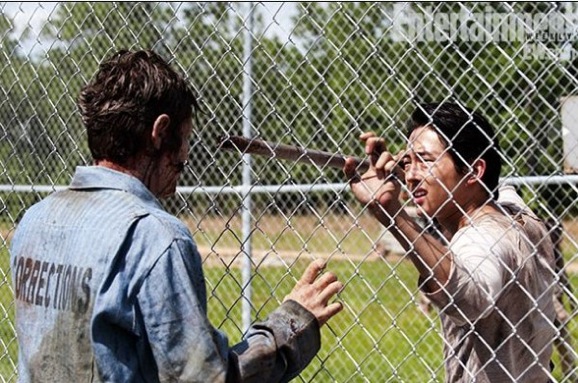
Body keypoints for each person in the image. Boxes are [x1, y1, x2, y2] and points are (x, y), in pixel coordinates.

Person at [10, 49, 344, 382]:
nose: (186, 155)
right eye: (186, 139)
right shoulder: (155, 238)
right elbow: (203, 378)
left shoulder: (34, 221)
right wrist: (291, 325)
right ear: (161, 131)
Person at [344, 102, 557, 382]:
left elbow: (469, 294)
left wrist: (392, 213)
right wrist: (412, 167)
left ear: (473, 170)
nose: (410, 175)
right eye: (408, 163)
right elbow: (498, 187)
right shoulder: (516, 212)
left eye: (427, 160)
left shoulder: (481, 238)